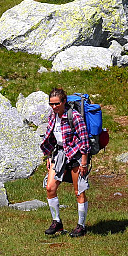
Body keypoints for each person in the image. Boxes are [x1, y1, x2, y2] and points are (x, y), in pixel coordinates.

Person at [40, 87, 90, 237]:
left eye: (56, 104)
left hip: (75, 155)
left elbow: (84, 139)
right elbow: (50, 137)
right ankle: (57, 222)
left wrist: (84, 163)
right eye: (51, 104)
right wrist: (49, 156)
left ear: (64, 102)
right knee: (50, 188)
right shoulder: (52, 116)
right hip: (60, 154)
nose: (54, 107)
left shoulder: (74, 116)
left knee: (79, 191)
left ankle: (81, 225)